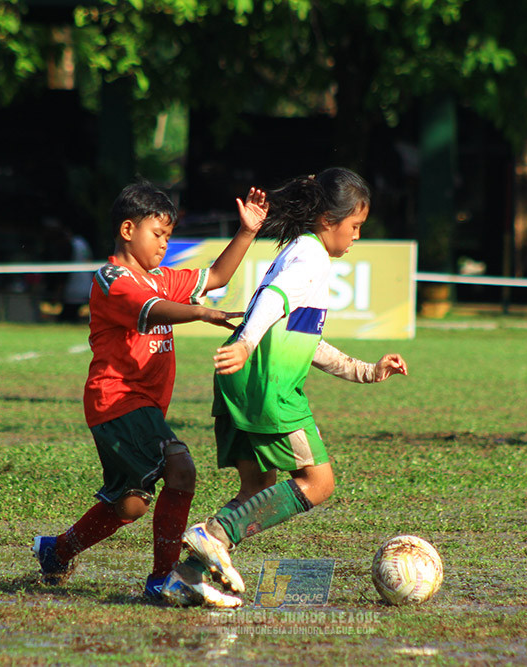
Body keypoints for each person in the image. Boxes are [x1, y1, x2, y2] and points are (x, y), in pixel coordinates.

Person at [161, 168, 409, 608]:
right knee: (319, 482)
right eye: (355, 226)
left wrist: (368, 371)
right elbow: (273, 298)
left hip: (242, 382)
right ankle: (213, 534)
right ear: (329, 220)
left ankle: (184, 578)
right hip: (268, 387)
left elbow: (306, 341)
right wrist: (245, 343)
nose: (356, 237)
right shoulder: (311, 258)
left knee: (257, 490)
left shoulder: (300, 251)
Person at [32, 181, 268, 604]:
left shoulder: (160, 278)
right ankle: (164, 579)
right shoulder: (111, 278)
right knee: (181, 469)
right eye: (157, 234)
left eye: (168, 236)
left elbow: (216, 276)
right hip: (117, 399)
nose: (164, 244)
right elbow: (151, 308)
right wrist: (199, 312)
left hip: (138, 408)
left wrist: (247, 231)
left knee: (131, 504)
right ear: (127, 230)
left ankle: (57, 551)